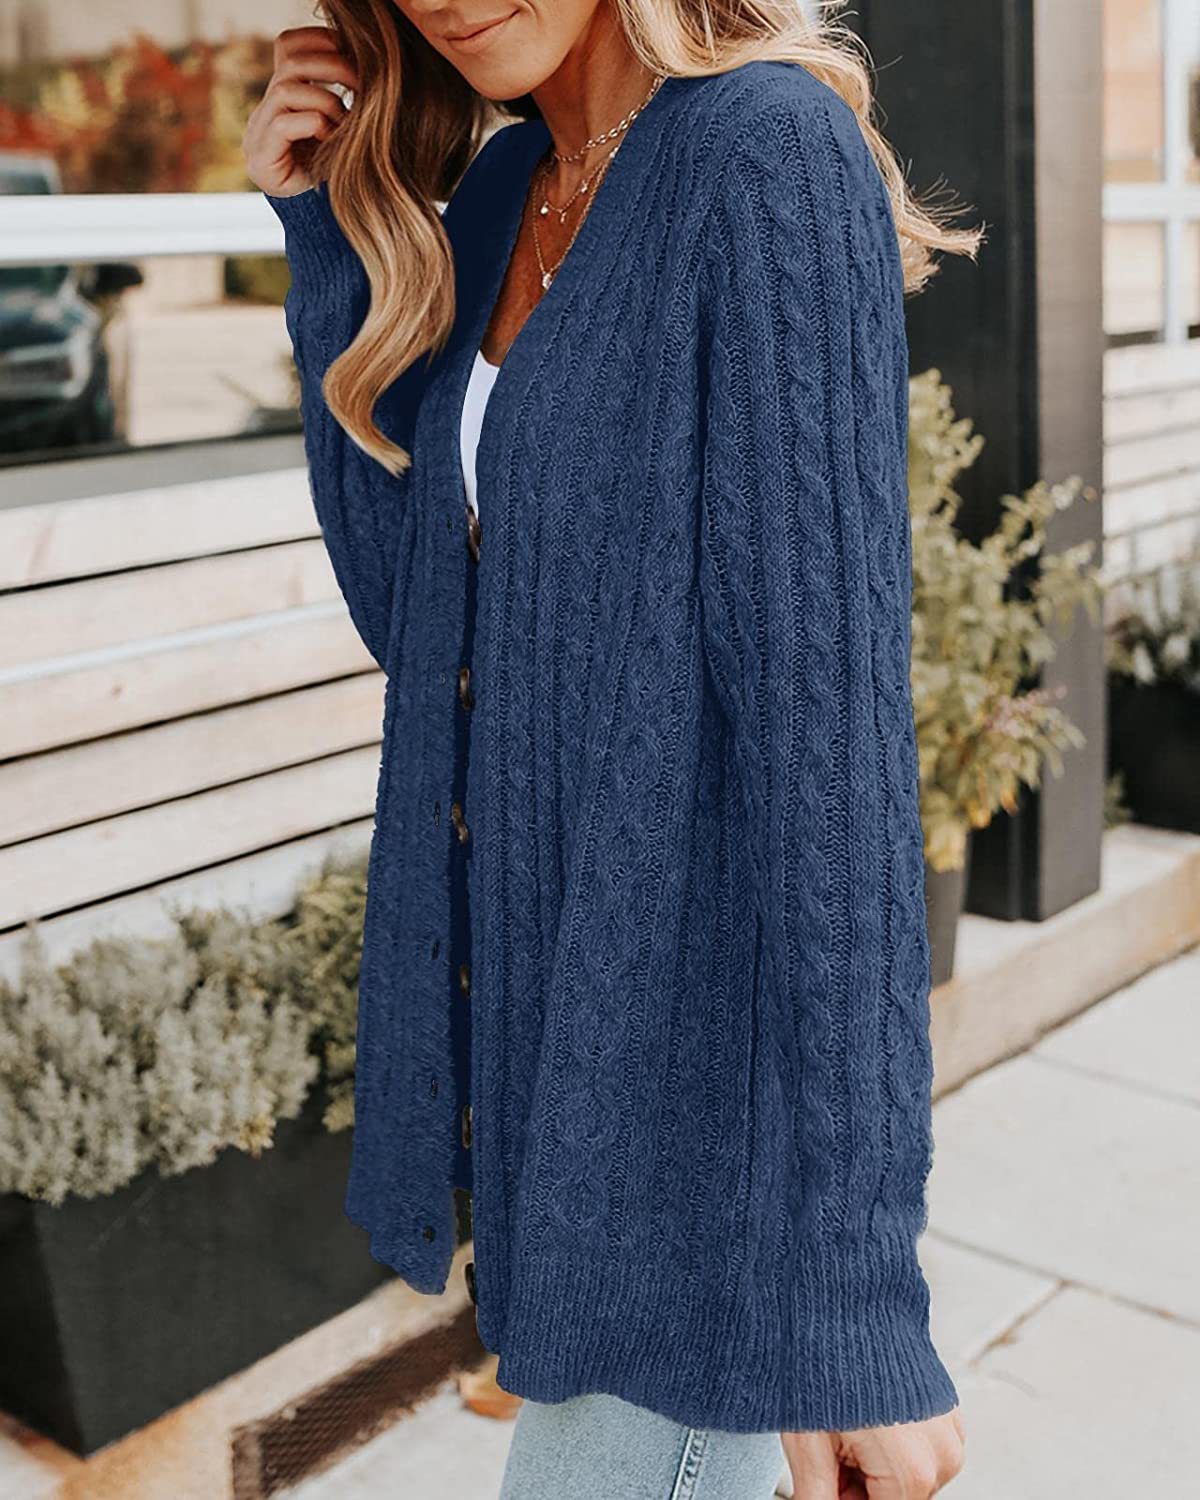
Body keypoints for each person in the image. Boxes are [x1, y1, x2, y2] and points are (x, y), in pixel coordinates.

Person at [244, 3, 980, 1495]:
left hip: (697, 1142)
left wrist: (857, 1307)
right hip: (564, 1091)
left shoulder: (766, 154)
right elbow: (423, 622)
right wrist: (326, 242)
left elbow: (832, 756)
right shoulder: (506, 191)